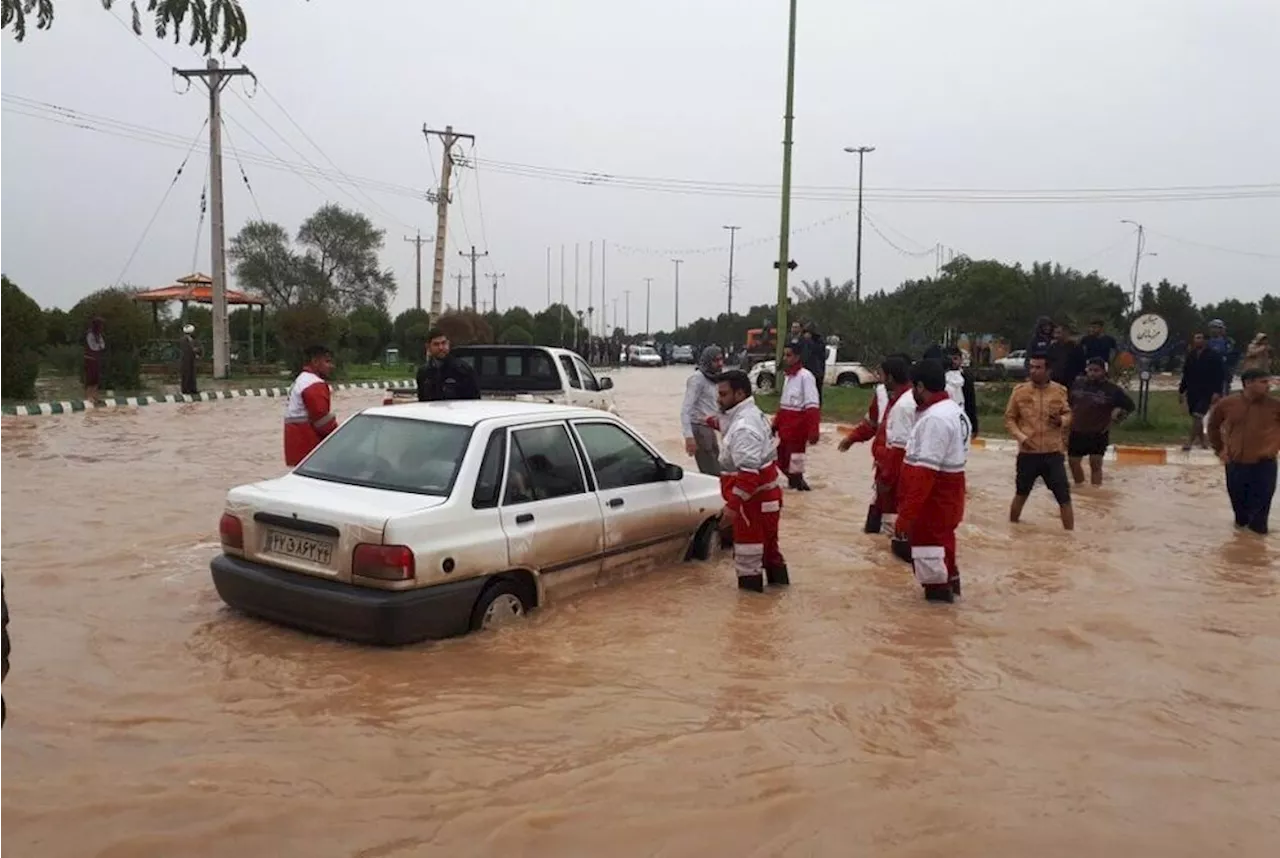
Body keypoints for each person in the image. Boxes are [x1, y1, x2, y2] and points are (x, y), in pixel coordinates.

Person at [892, 359, 971, 603]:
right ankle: (950, 603)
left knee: (932, 568)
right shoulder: (954, 411)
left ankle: (938, 625)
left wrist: (905, 519)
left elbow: (924, 475)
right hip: (946, 502)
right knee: (945, 557)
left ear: (921, 387)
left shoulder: (934, 419)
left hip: (933, 506)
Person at [715, 370, 788, 593]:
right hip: (765, 499)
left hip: (752, 504)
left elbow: (748, 476)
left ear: (739, 394)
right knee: (769, 553)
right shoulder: (751, 414)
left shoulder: (744, 427)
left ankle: (751, 615)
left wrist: (732, 507)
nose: (719, 399)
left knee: (748, 560)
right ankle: (779, 599)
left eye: (723, 394)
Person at [839, 355, 913, 533]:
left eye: (880, 374)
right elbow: (872, 423)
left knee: (892, 517)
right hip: (883, 466)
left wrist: (888, 477)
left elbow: (901, 447)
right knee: (875, 517)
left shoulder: (907, 403)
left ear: (891, 377)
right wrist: (852, 438)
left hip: (895, 469)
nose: (878, 378)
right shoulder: (884, 395)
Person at [1005, 354, 1074, 530]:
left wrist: (1062, 421)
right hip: (1028, 453)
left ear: (1048, 370)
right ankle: (1013, 530)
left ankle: (1070, 537)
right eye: (1032, 367)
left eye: (1038, 367)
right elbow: (1009, 419)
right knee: (1021, 494)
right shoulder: (1019, 391)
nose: (1033, 371)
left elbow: (1068, 414)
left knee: (1064, 498)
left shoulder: (1060, 391)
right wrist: (1021, 437)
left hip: (1053, 453)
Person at [1207, 368, 1280, 535]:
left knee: (1259, 520)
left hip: (1265, 465)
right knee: (1241, 515)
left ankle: (1258, 554)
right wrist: (1219, 449)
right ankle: (1241, 550)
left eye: (1268, 382)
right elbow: (1213, 426)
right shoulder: (1227, 404)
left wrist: (1275, 444)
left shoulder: (1275, 406)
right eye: (1263, 382)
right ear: (1248, 383)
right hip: (1236, 464)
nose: (1268, 386)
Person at [1067, 358, 1135, 485]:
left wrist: (1118, 416)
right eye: (1090, 370)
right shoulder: (1077, 384)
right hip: (1077, 430)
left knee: (1095, 464)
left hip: (1098, 432)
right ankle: (1081, 488)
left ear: (1104, 371)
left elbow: (1130, 406)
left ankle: (1096, 491)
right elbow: (1068, 402)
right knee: (1073, 462)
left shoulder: (1112, 390)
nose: (1092, 373)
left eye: (1096, 370)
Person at [771, 340, 821, 491]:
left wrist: (813, 431)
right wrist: (775, 425)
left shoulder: (806, 377)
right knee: (780, 459)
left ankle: (800, 488)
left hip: (798, 432)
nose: (786, 358)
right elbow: (784, 405)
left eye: (789, 355)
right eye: (784, 355)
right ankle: (796, 486)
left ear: (797, 357)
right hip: (786, 431)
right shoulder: (788, 378)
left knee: (795, 465)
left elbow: (812, 406)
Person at [284, 345, 338, 466]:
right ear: (315, 361)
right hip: (310, 448)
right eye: (327, 361)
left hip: (295, 447)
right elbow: (322, 421)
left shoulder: (301, 380)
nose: (331, 366)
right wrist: (339, 438)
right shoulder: (314, 384)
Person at [682, 345, 725, 475]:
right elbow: (685, 409)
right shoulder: (697, 379)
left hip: (710, 427)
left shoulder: (714, 379)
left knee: (717, 464)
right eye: (716, 360)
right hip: (699, 428)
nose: (720, 364)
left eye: (721, 359)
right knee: (711, 471)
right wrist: (689, 437)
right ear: (707, 361)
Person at [1178, 332, 1226, 451]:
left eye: (1199, 338)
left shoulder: (1214, 356)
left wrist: (1217, 392)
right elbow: (1186, 374)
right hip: (1193, 391)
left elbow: (1219, 375)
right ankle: (1203, 441)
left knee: (1198, 415)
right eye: (1195, 338)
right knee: (1195, 415)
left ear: (1205, 340)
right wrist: (1181, 391)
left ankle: (1190, 441)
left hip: (1207, 391)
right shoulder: (1191, 355)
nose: (1197, 340)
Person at [416, 328, 480, 402]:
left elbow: (475, 403)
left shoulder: (463, 370)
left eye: (443, 343)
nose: (441, 348)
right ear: (428, 347)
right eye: (436, 344)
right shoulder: (423, 373)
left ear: (448, 344)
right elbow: (422, 403)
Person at [944, 346, 979, 436]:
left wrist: (974, 426)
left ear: (961, 360)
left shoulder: (966, 377)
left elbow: (970, 402)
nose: (953, 362)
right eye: (950, 359)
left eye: (955, 359)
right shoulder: (941, 377)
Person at [1047, 324, 1086, 388]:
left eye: (1058, 333)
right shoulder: (1052, 347)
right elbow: (1048, 362)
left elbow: (1082, 364)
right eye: (1055, 333)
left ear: (1066, 333)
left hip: (1071, 381)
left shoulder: (1076, 347)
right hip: (1055, 380)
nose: (1056, 335)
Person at [1206, 319, 1239, 396]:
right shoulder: (1206, 341)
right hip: (1207, 374)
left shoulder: (1228, 342)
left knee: (1222, 398)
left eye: (1216, 327)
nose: (1213, 330)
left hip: (1223, 374)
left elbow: (1233, 357)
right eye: (1212, 327)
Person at [802, 324, 827, 404]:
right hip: (806, 369)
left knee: (816, 391)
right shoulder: (804, 341)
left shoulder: (819, 341)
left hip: (817, 371)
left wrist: (809, 341)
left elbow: (818, 351)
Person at [83, 316, 106, 402]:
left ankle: (95, 396)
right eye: (101, 325)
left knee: (96, 378)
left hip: (96, 359)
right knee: (90, 378)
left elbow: (103, 344)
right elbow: (92, 346)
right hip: (89, 358)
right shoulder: (90, 334)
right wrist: (99, 346)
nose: (102, 327)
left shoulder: (98, 335)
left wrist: (100, 346)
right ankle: (89, 396)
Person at [179, 324, 201, 396]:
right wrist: (193, 350)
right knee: (186, 373)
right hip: (186, 359)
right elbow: (185, 349)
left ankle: (193, 389)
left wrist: (197, 351)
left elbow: (199, 347)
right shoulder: (183, 340)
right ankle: (185, 389)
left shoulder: (194, 340)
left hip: (192, 359)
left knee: (192, 373)